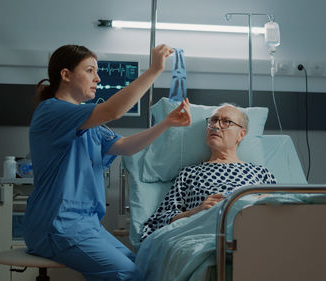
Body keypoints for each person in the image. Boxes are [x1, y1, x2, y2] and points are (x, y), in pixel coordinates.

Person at [23, 44, 191, 281]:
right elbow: (113, 110)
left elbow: (126, 147)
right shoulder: (52, 111)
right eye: (90, 70)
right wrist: (154, 70)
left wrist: (166, 123)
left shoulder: (88, 122)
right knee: (125, 273)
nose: (98, 78)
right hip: (56, 226)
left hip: (87, 226)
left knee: (139, 266)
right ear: (66, 74)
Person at [140, 104, 277, 242]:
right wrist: (196, 211)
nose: (216, 126)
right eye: (213, 120)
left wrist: (266, 201)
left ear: (241, 134)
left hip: (254, 231)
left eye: (226, 122)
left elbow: (285, 210)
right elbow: (158, 222)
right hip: (207, 236)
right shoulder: (189, 173)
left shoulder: (260, 173)